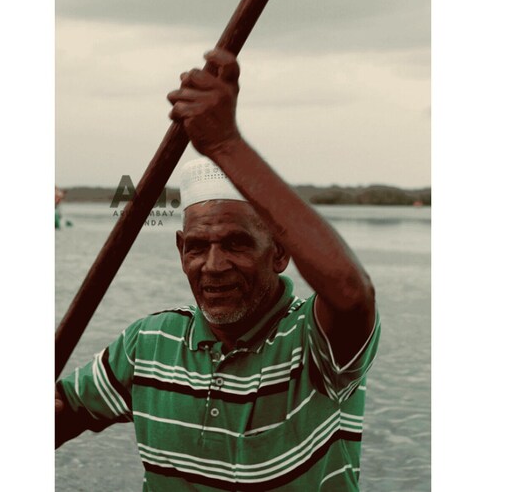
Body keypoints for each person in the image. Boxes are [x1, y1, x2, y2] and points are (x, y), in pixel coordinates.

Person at [56, 49, 380, 491]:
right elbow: (64, 414)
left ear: (280, 253)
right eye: (197, 247)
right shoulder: (147, 343)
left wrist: (226, 143)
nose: (212, 266)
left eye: (236, 244)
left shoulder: (312, 344)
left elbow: (350, 291)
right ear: (180, 250)